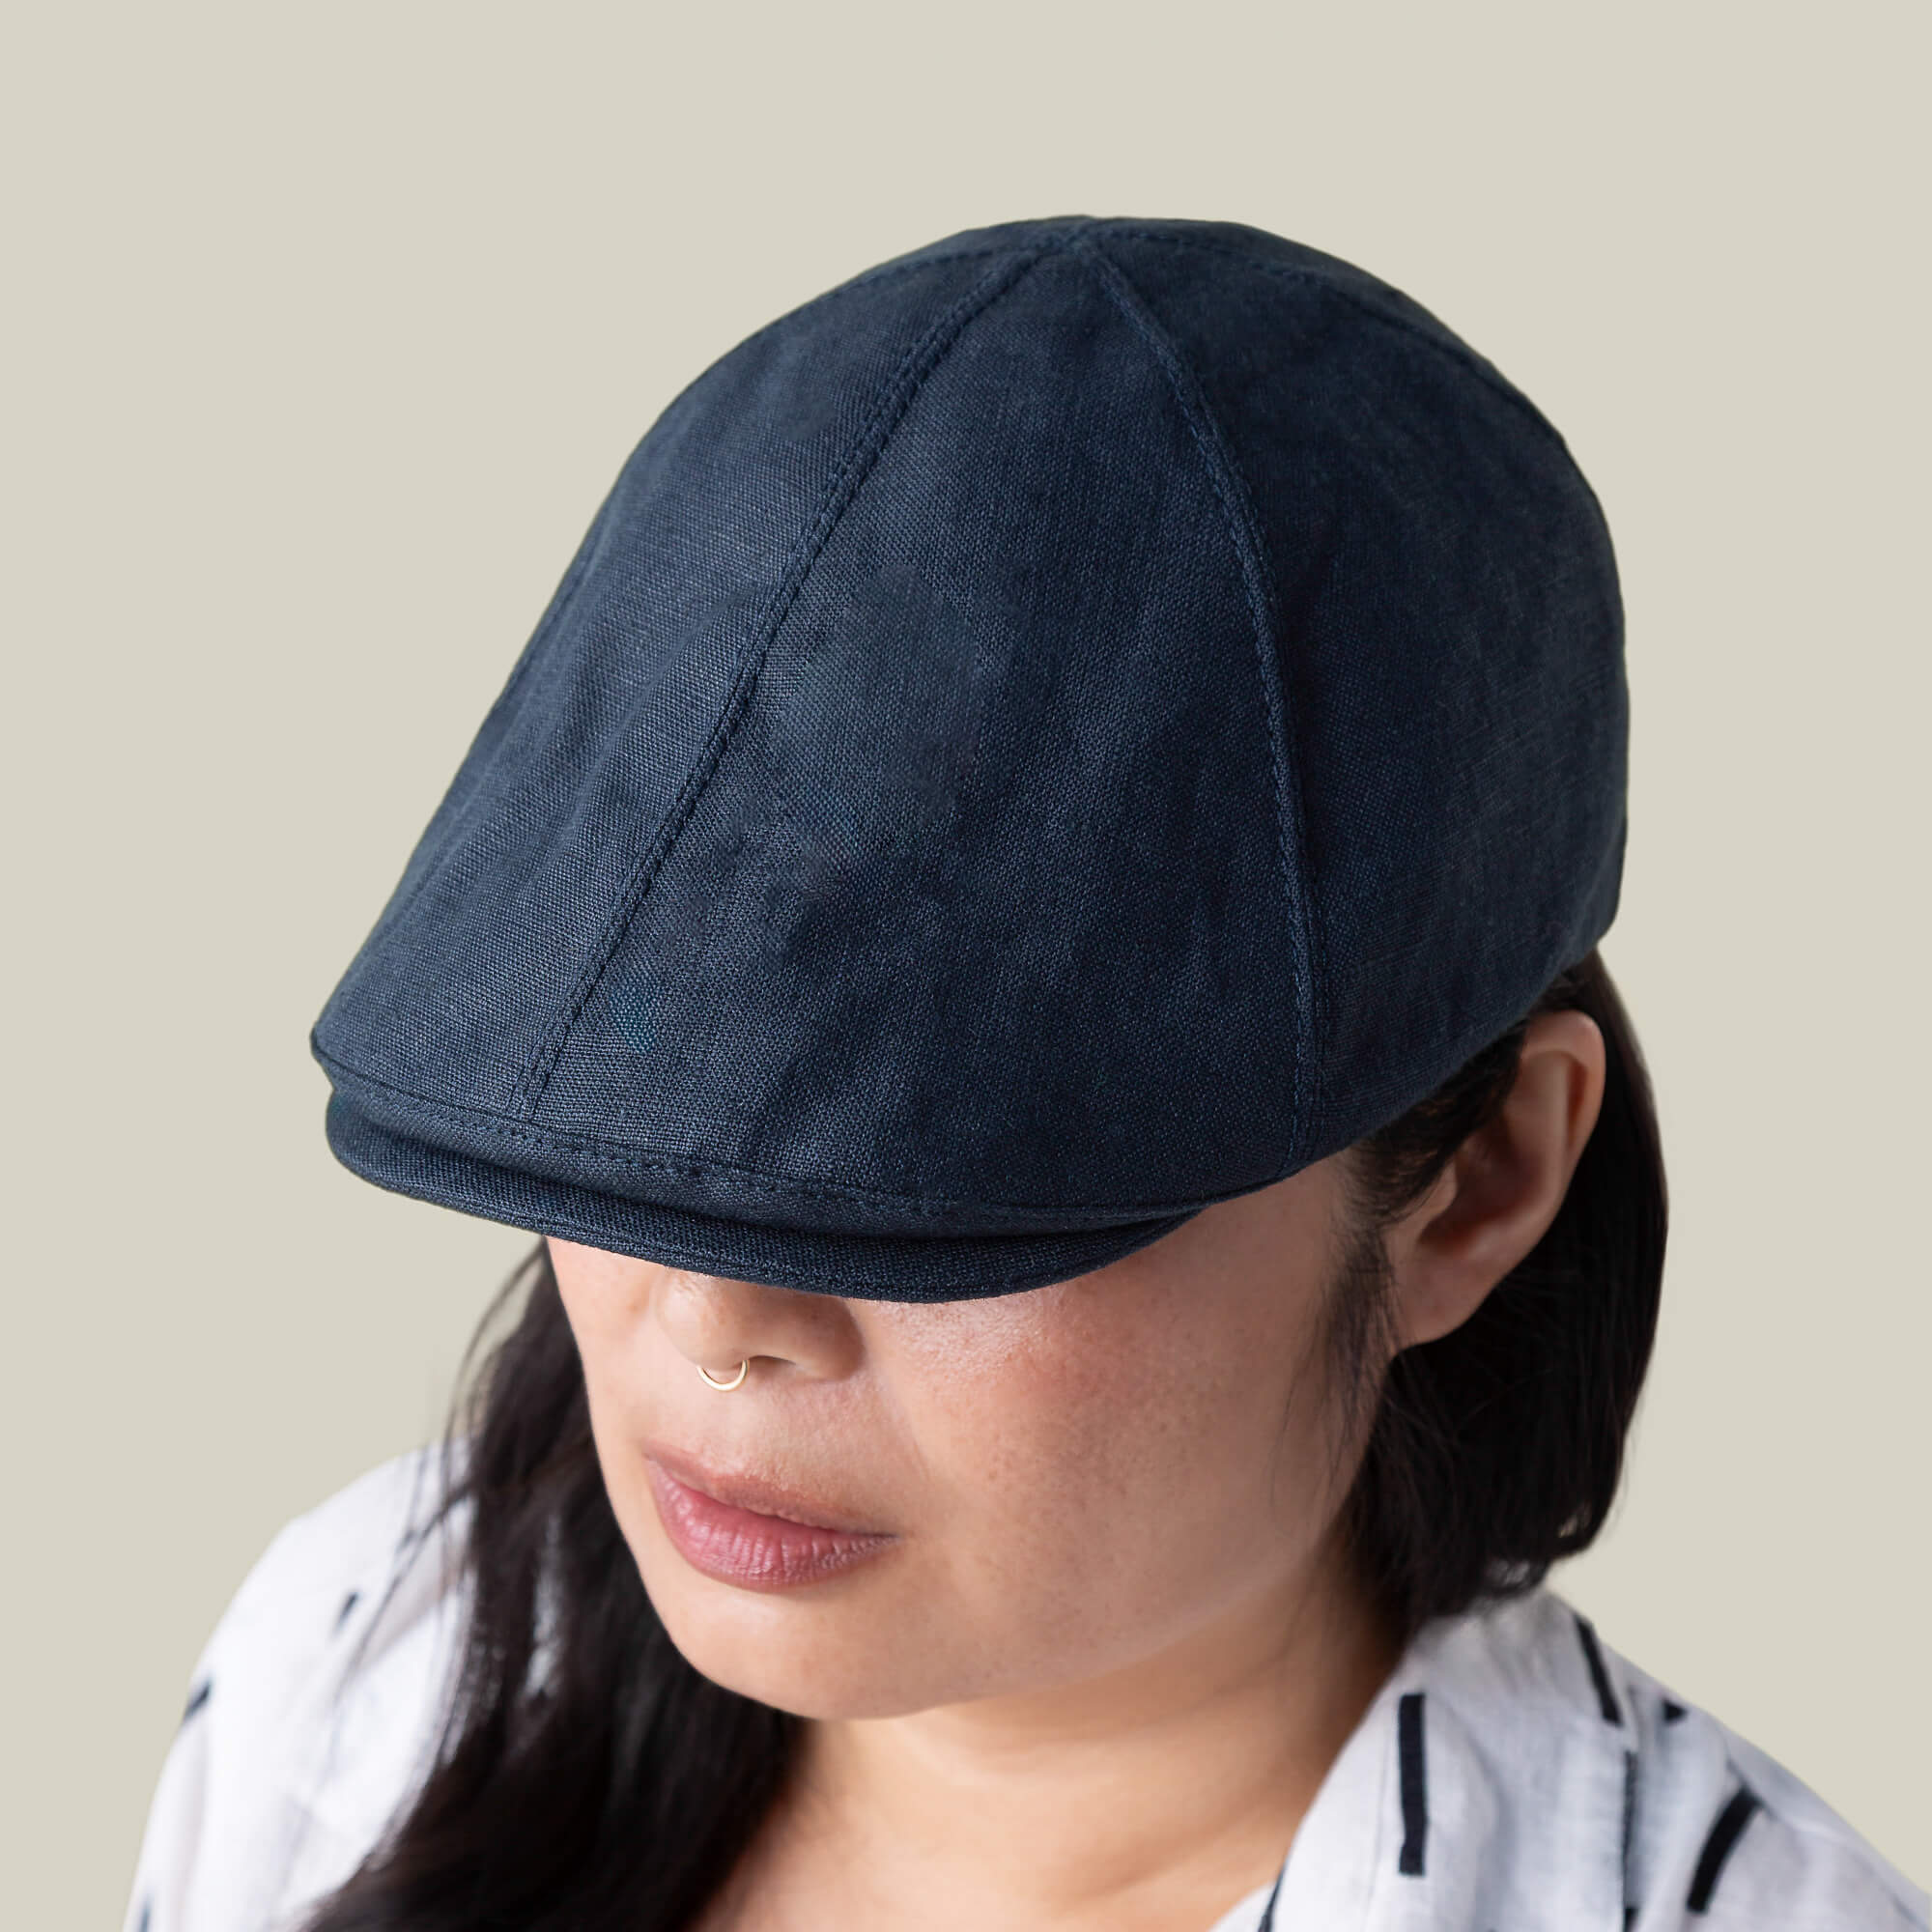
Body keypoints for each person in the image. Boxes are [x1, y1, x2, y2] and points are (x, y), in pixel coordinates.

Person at [124, 214, 1924, 1932]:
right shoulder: (359, 1671)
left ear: (1478, 1189)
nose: (719, 1316)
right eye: (648, 1087)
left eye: (944, 1189)